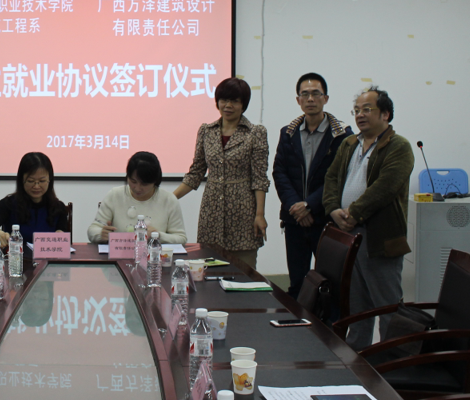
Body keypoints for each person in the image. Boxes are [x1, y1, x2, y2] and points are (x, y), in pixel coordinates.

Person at [323, 86, 413, 350]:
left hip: (379, 238)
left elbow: (385, 187)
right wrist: (333, 209)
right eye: (356, 110)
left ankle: (392, 361)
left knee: (387, 306)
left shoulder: (399, 146)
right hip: (348, 234)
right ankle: (358, 357)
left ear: (385, 114)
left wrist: (354, 213)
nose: (360, 115)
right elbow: (331, 178)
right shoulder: (350, 143)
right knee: (356, 304)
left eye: (367, 109)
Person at [173, 77, 270, 269]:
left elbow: (259, 178)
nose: (228, 105)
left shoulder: (255, 133)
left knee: (244, 270)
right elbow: (196, 173)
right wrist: (168, 199)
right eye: (224, 100)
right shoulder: (206, 131)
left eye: (234, 101)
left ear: (243, 104)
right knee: (208, 266)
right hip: (212, 210)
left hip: (243, 210)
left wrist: (259, 214)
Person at [272, 73, 352, 299]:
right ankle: (299, 321)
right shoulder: (288, 133)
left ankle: (327, 323)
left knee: (331, 283)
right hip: (294, 220)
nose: (310, 99)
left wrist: (309, 205)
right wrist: (296, 207)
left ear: (325, 98)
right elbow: (280, 172)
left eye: (316, 94)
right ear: (298, 100)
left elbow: (338, 178)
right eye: (304, 94)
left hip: (326, 219)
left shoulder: (342, 135)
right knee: (297, 282)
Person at [88, 151, 186, 244]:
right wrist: (101, 234)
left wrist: (157, 236)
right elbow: (93, 230)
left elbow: (181, 238)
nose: (137, 188)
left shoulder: (168, 199)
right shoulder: (115, 195)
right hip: (120, 253)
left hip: (154, 254)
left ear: (155, 181)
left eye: (144, 184)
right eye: (133, 181)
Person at [0, 152, 68, 247]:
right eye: (31, 181)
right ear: (21, 180)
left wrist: (60, 234)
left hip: (48, 255)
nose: (36, 186)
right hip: (16, 255)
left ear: (50, 180)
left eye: (42, 181)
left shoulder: (58, 207)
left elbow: (63, 233)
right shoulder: (8, 204)